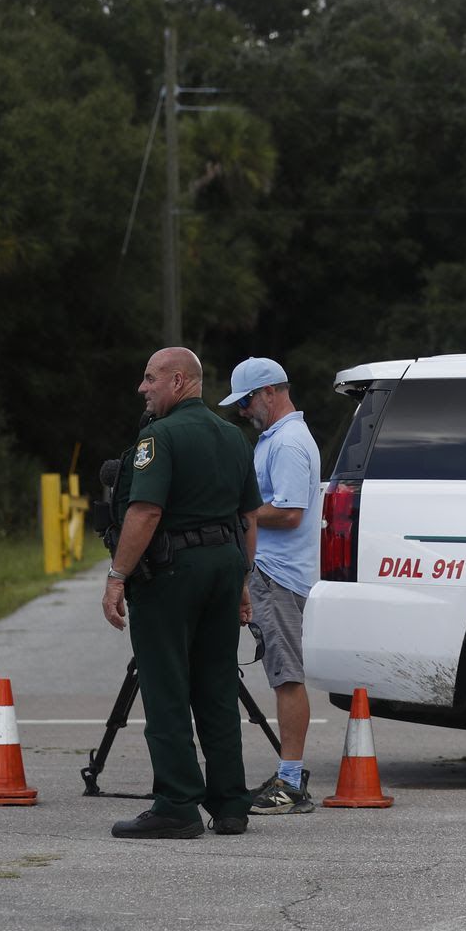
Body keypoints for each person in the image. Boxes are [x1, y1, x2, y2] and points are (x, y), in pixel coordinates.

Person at [100, 347, 260, 839]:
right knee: (216, 685)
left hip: (172, 573)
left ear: (177, 381)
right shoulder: (233, 436)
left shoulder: (159, 438)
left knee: (166, 685)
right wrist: (241, 583)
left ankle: (176, 805)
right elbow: (249, 517)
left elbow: (144, 513)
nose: (142, 388)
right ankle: (231, 804)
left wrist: (117, 576)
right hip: (223, 566)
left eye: (149, 379)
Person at [220, 356, 323, 815]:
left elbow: (289, 512)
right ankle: (288, 775)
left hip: (279, 575)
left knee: (286, 676)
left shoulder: (287, 444)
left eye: (246, 401)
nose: (243, 411)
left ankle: (291, 781)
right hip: (270, 573)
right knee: (282, 674)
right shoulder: (275, 439)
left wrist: (236, 509)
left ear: (270, 392)